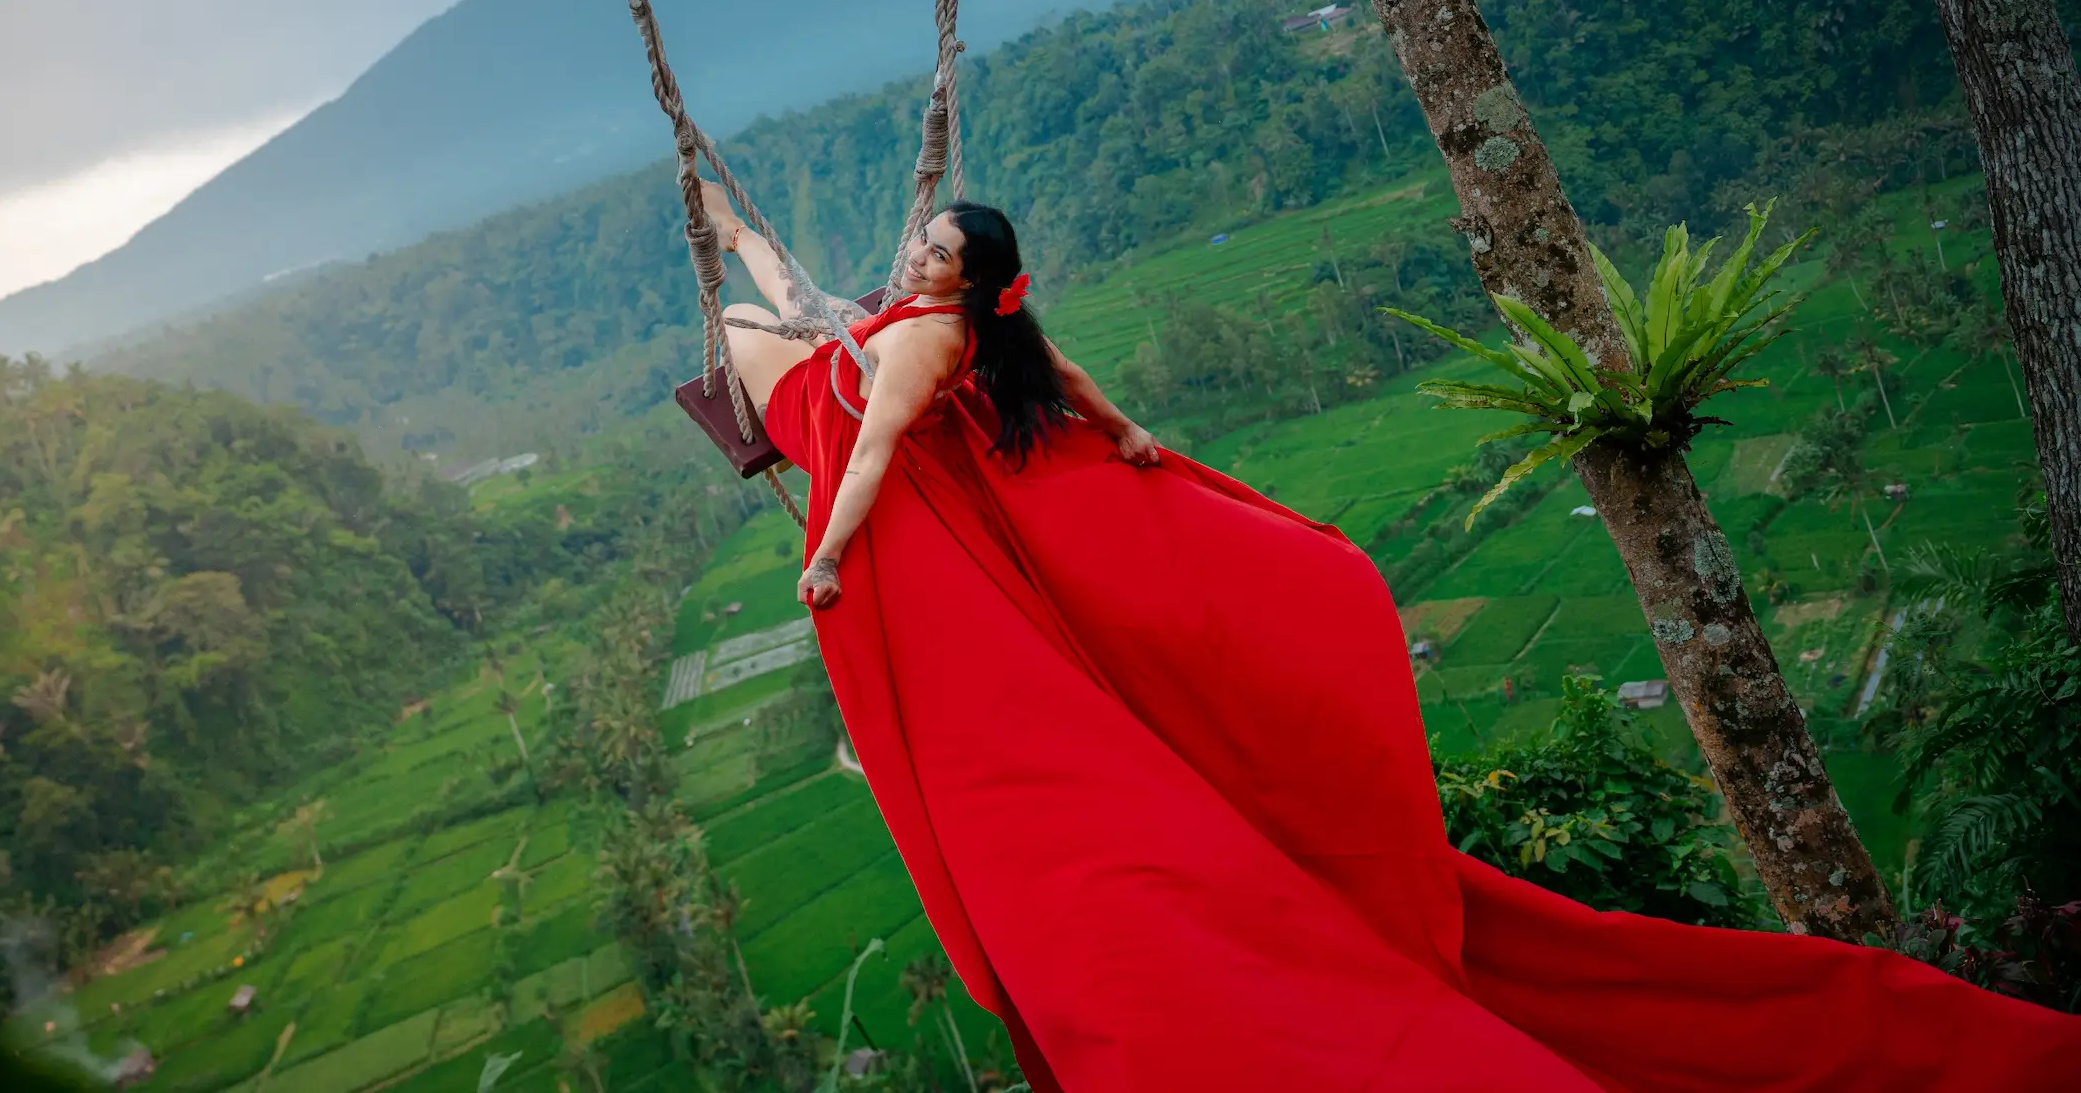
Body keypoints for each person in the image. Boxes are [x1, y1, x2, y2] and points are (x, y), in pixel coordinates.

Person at [701, 183, 2079, 1092]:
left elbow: (874, 440)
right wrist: (729, 219)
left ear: (972, 275)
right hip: (909, 453)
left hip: (908, 508)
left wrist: (824, 563)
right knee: (756, 313)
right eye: (925, 245)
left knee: (747, 340)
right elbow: (1001, 359)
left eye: (940, 248)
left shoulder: (921, 351)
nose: (922, 255)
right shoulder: (947, 331)